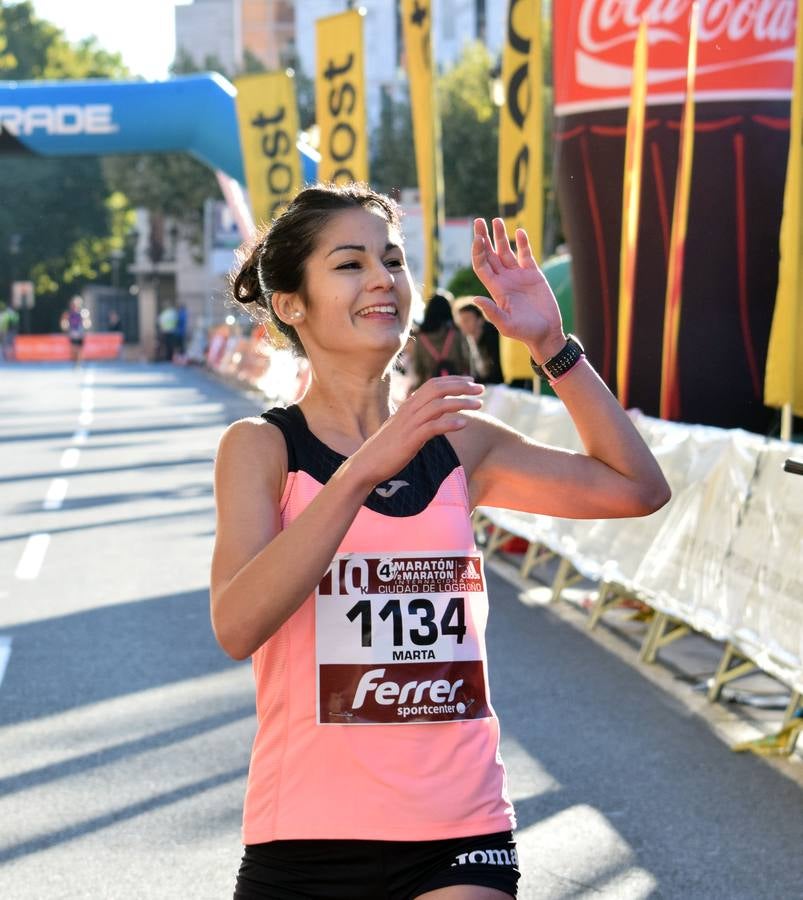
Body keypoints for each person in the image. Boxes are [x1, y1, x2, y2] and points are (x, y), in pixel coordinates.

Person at [212, 183, 670, 899]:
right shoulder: (262, 449)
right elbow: (237, 625)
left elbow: (636, 490)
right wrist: (363, 469)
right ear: (290, 305)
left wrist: (551, 348)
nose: (382, 278)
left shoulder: (457, 441)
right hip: (305, 837)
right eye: (349, 263)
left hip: (459, 831)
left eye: (392, 259)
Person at [408, 290, 471, 389]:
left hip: (431, 391)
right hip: (457, 389)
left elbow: (418, 369)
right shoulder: (457, 333)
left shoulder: (420, 337)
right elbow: (467, 361)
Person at [454, 297, 504, 385]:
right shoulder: (468, 339)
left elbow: (497, 372)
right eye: (461, 321)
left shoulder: (493, 337)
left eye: (467, 320)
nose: (463, 324)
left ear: (480, 320)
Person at [60, 295, 91, 366]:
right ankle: (75, 361)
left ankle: (79, 363)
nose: (75, 305)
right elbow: (64, 321)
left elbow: (87, 322)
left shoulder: (83, 312)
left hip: (80, 333)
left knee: (80, 349)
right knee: (73, 349)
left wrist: (86, 325)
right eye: (74, 304)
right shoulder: (68, 313)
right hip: (72, 333)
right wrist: (64, 326)